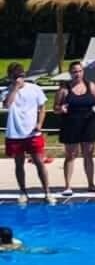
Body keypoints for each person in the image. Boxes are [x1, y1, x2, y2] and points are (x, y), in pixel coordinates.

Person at [54, 59, 95, 196]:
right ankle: (67, 186)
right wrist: (61, 108)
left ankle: (91, 184)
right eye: (74, 72)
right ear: (70, 73)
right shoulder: (64, 89)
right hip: (71, 123)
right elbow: (55, 108)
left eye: (80, 71)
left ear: (83, 72)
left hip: (88, 123)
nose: (77, 74)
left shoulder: (91, 86)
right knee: (70, 155)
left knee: (88, 154)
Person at [4, 62, 51, 205]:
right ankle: (23, 192)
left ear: (24, 75)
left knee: (39, 162)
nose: (18, 79)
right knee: (19, 164)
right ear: (10, 77)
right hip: (15, 134)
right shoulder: (6, 91)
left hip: (32, 133)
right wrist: (15, 89)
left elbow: (42, 108)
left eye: (20, 76)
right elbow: (7, 105)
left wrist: (39, 124)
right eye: (15, 77)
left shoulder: (35, 89)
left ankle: (47, 192)